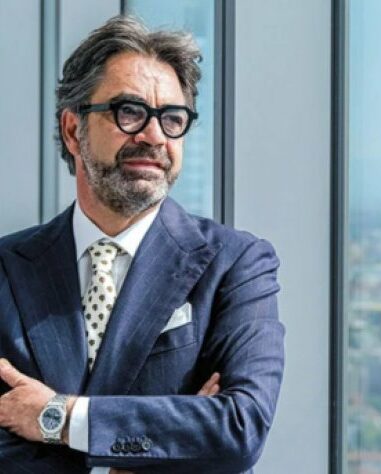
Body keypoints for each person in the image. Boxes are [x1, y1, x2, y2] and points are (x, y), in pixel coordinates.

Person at [0, 15, 284, 474]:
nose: (154, 136)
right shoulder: (7, 269)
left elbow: (239, 428)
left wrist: (57, 418)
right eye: (129, 112)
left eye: (172, 119)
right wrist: (167, 445)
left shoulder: (237, 264)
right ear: (73, 130)